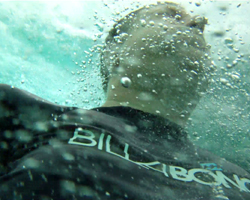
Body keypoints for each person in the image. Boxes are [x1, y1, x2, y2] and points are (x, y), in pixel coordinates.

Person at [0, 1, 249, 200]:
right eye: (170, 16)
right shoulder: (23, 116)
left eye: (196, 21)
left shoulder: (240, 171)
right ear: (114, 53)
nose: (200, 22)